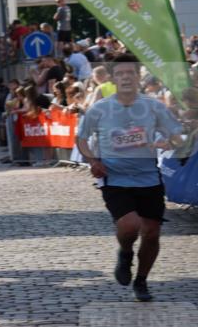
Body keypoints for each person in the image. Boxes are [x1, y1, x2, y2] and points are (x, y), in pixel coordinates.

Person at [77, 53, 184, 302]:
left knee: (152, 233)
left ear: (138, 77)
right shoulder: (99, 109)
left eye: (130, 73)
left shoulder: (154, 106)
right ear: (113, 78)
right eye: (120, 73)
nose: (125, 77)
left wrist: (165, 142)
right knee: (130, 226)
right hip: (115, 178)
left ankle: (142, 280)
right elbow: (81, 139)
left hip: (149, 178)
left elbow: (177, 136)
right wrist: (93, 161)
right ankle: (125, 253)